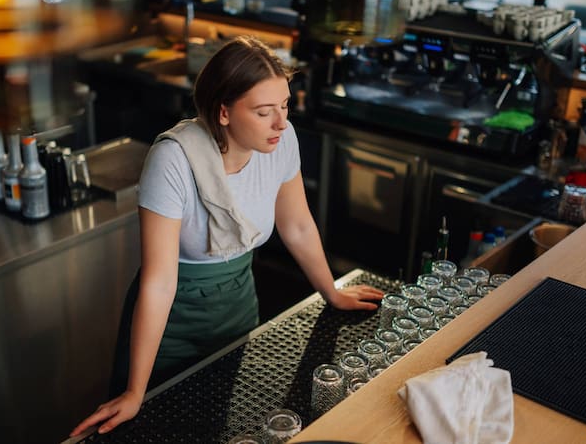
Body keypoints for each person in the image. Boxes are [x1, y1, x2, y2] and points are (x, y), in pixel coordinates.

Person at [70, 35, 383, 438]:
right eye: (263, 111)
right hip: (171, 323)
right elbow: (160, 281)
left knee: (223, 423)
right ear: (224, 113)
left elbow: (298, 226)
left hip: (238, 305)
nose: (281, 122)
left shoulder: (281, 142)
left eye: (285, 105)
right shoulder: (174, 159)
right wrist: (134, 391)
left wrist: (332, 293)